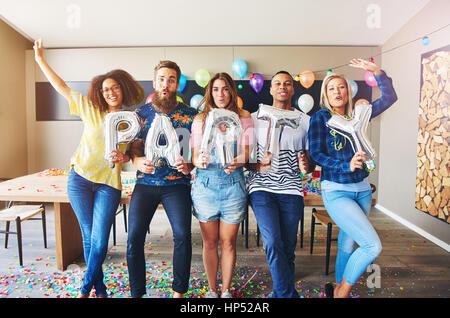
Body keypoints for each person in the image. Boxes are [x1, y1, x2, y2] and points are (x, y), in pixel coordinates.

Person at [33, 39, 144, 298]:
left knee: (100, 241)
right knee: (88, 237)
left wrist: (122, 158)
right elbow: (61, 86)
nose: (111, 92)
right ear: (100, 93)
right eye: (106, 89)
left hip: (108, 184)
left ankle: (85, 289)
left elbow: (128, 157)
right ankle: (101, 289)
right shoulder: (90, 108)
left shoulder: (131, 121)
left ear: (123, 89)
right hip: (80, 179)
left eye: (115, 88)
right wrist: (40, 60)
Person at [308, 58, 397, 298]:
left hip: (363, 190)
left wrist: (377, 72)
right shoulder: (320, 118)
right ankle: (341, 293)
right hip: (336, 190)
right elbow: (316, 154)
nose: (337, 92)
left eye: (341, 87)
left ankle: (337, 287)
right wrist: (345, 165)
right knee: (372, 245)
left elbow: (389, 98)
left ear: (348, 90)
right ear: (325, 94)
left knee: (348, 244)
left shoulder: (360, 114)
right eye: (331, 88)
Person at [126, 60, 197, 298]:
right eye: (161, 79)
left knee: (182, 236)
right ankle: (137, 292)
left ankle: (179, 292)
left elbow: (193, 154)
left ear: (177, 84)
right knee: (134, 237)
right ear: (155, 82)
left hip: (176, 185)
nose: (165, 84)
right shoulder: (140, 114)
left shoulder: (190, 115)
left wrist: (189, 165)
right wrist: (136, 162)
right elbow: (134, 150)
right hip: (145, 184)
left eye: (171, 79)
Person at [246, 71, 314, 298]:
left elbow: (309, 163)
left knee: (288, 246)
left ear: (293, 90)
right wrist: (257, 166)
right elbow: (246, 160)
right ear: (271, 89)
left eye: (287, 84)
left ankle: (281, 292)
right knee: (273, 242)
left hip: (291, 188)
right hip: (261, 187)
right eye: (277, 83)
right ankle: (287, 295)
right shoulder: (255, 118)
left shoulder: (305, 121)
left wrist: (308, 165)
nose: (283, 87)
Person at [190, 73, 253, 298]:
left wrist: (239, 160)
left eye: (225, 89)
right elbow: (194, 156)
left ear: (232, 91)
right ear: (210, 92)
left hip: (233, 185)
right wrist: (200, 160)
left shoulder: (244, 116)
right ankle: (212, 290)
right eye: (216, 89)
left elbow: (247, 152)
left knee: (228, 242)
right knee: (210, 242)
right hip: (205, 185)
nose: (221, 94)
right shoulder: (200, 119)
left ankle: (226, 290)